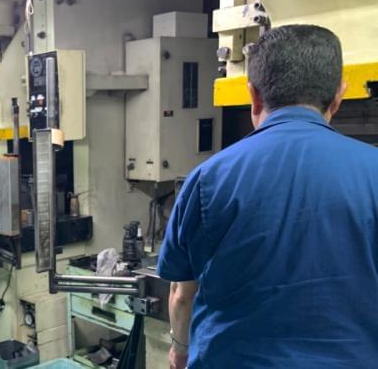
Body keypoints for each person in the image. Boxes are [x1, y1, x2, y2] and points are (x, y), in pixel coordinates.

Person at [157, 25, 378, 368]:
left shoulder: (208, 178)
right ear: (339, 95)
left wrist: (180, 351)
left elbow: (182, 294)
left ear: (254, 96)